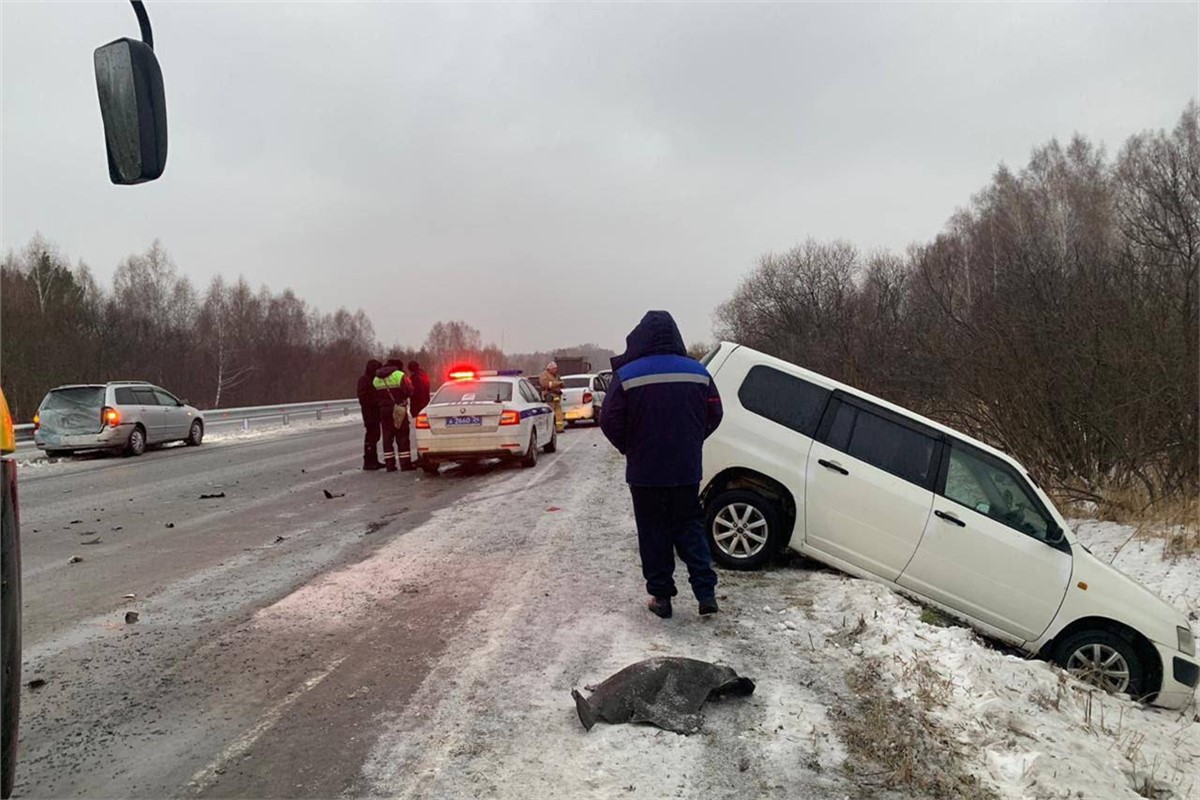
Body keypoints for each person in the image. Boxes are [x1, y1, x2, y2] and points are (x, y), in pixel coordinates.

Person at [600, 311, 723, 619]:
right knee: (690, 526)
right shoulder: (698, 372)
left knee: (653, 530)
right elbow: (715, 414)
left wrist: (629, 447)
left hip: (645, 472)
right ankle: (705, 593)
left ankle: (662, 597)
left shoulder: (627, 375)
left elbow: (609, 419)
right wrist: (694, 440)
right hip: (685, 468)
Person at [374, 359, 415, 472]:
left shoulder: (377, 378)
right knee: (402, 436)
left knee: (387, 437)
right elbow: (409, 391)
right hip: (398, 408)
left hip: (383, 410)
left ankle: (390, 465)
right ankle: (405, 464)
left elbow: (375, 394)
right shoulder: (399, 375)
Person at [357, 359, 383, 470]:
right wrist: (375, 401)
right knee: (371, 436)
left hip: (374, 411)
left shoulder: (373, 379)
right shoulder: (364, 380)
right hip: (369, 412)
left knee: (375, 435)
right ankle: (369, 461)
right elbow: (363, 397)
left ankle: (373, 459)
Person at [539, 361, 565, 433]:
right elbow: (546, 384)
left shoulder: (556, 375)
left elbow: (561, 383)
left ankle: (559, 428)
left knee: (559, 414)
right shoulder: (544, 375)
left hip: (557, 397)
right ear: (549, 369)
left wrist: (561, 384)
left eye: (556, 368)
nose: (555, 370)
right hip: (549, 397)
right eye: (554, 368)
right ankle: (550, 429)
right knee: (550, 414)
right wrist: (558, 384)